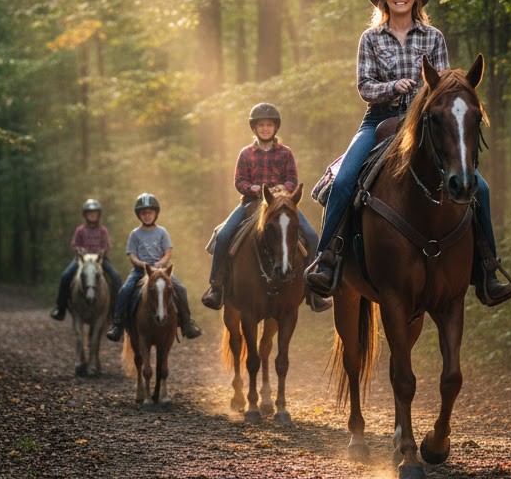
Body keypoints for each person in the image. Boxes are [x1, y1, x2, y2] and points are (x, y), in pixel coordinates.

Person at [304, 0, 511, 305]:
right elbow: (363, 86)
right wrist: (392, 87)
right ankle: (328, 261)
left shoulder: (433, 37)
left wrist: (424, 98)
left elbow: (444, 88)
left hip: (427, 124)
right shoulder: (370, 38)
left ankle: (488, 270)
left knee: (482, 188)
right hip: (379, 121)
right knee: (342, 181)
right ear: (383, 0)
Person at [201, 103, 332, 313]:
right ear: (254, 128)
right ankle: (217, 286)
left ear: (275, 127)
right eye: (261, 125)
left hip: (281, 206)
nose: (265, 128)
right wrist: (252, 188)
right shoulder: (245, 154)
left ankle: (312, 290)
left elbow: (292, 179)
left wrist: (284, 188)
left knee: (311, 235)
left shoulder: (285, 153)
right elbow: (239, 181)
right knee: (223, 235)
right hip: (251, 204)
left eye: (269, 125)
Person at [106, 193, 202, 342]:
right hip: (140, 271)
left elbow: (168, 251)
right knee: (125, 290)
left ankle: (187, 323)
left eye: (149, 212)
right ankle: (117, 324)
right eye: (143, 213)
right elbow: (131, 254)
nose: (147, 216)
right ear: (139, 215)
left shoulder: (162, 232)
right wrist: (141, 264)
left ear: (155, 213)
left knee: (181, 289)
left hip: (161, 272)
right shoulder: (135, 234)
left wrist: (162, 262)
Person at [50, 198, 122, 321]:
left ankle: (116, 311)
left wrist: (102, 251)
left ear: (99, 214)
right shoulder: (80, 230)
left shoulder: (102, 230)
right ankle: (60, 308)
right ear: (85, 215)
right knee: (66, 276)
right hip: (82, 261)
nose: (92, 215)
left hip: (100, 260)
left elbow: (107, 245)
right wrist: (80, 250)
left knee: (116, 276)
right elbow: (74, 244)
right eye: (90, 213)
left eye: (95, 213)